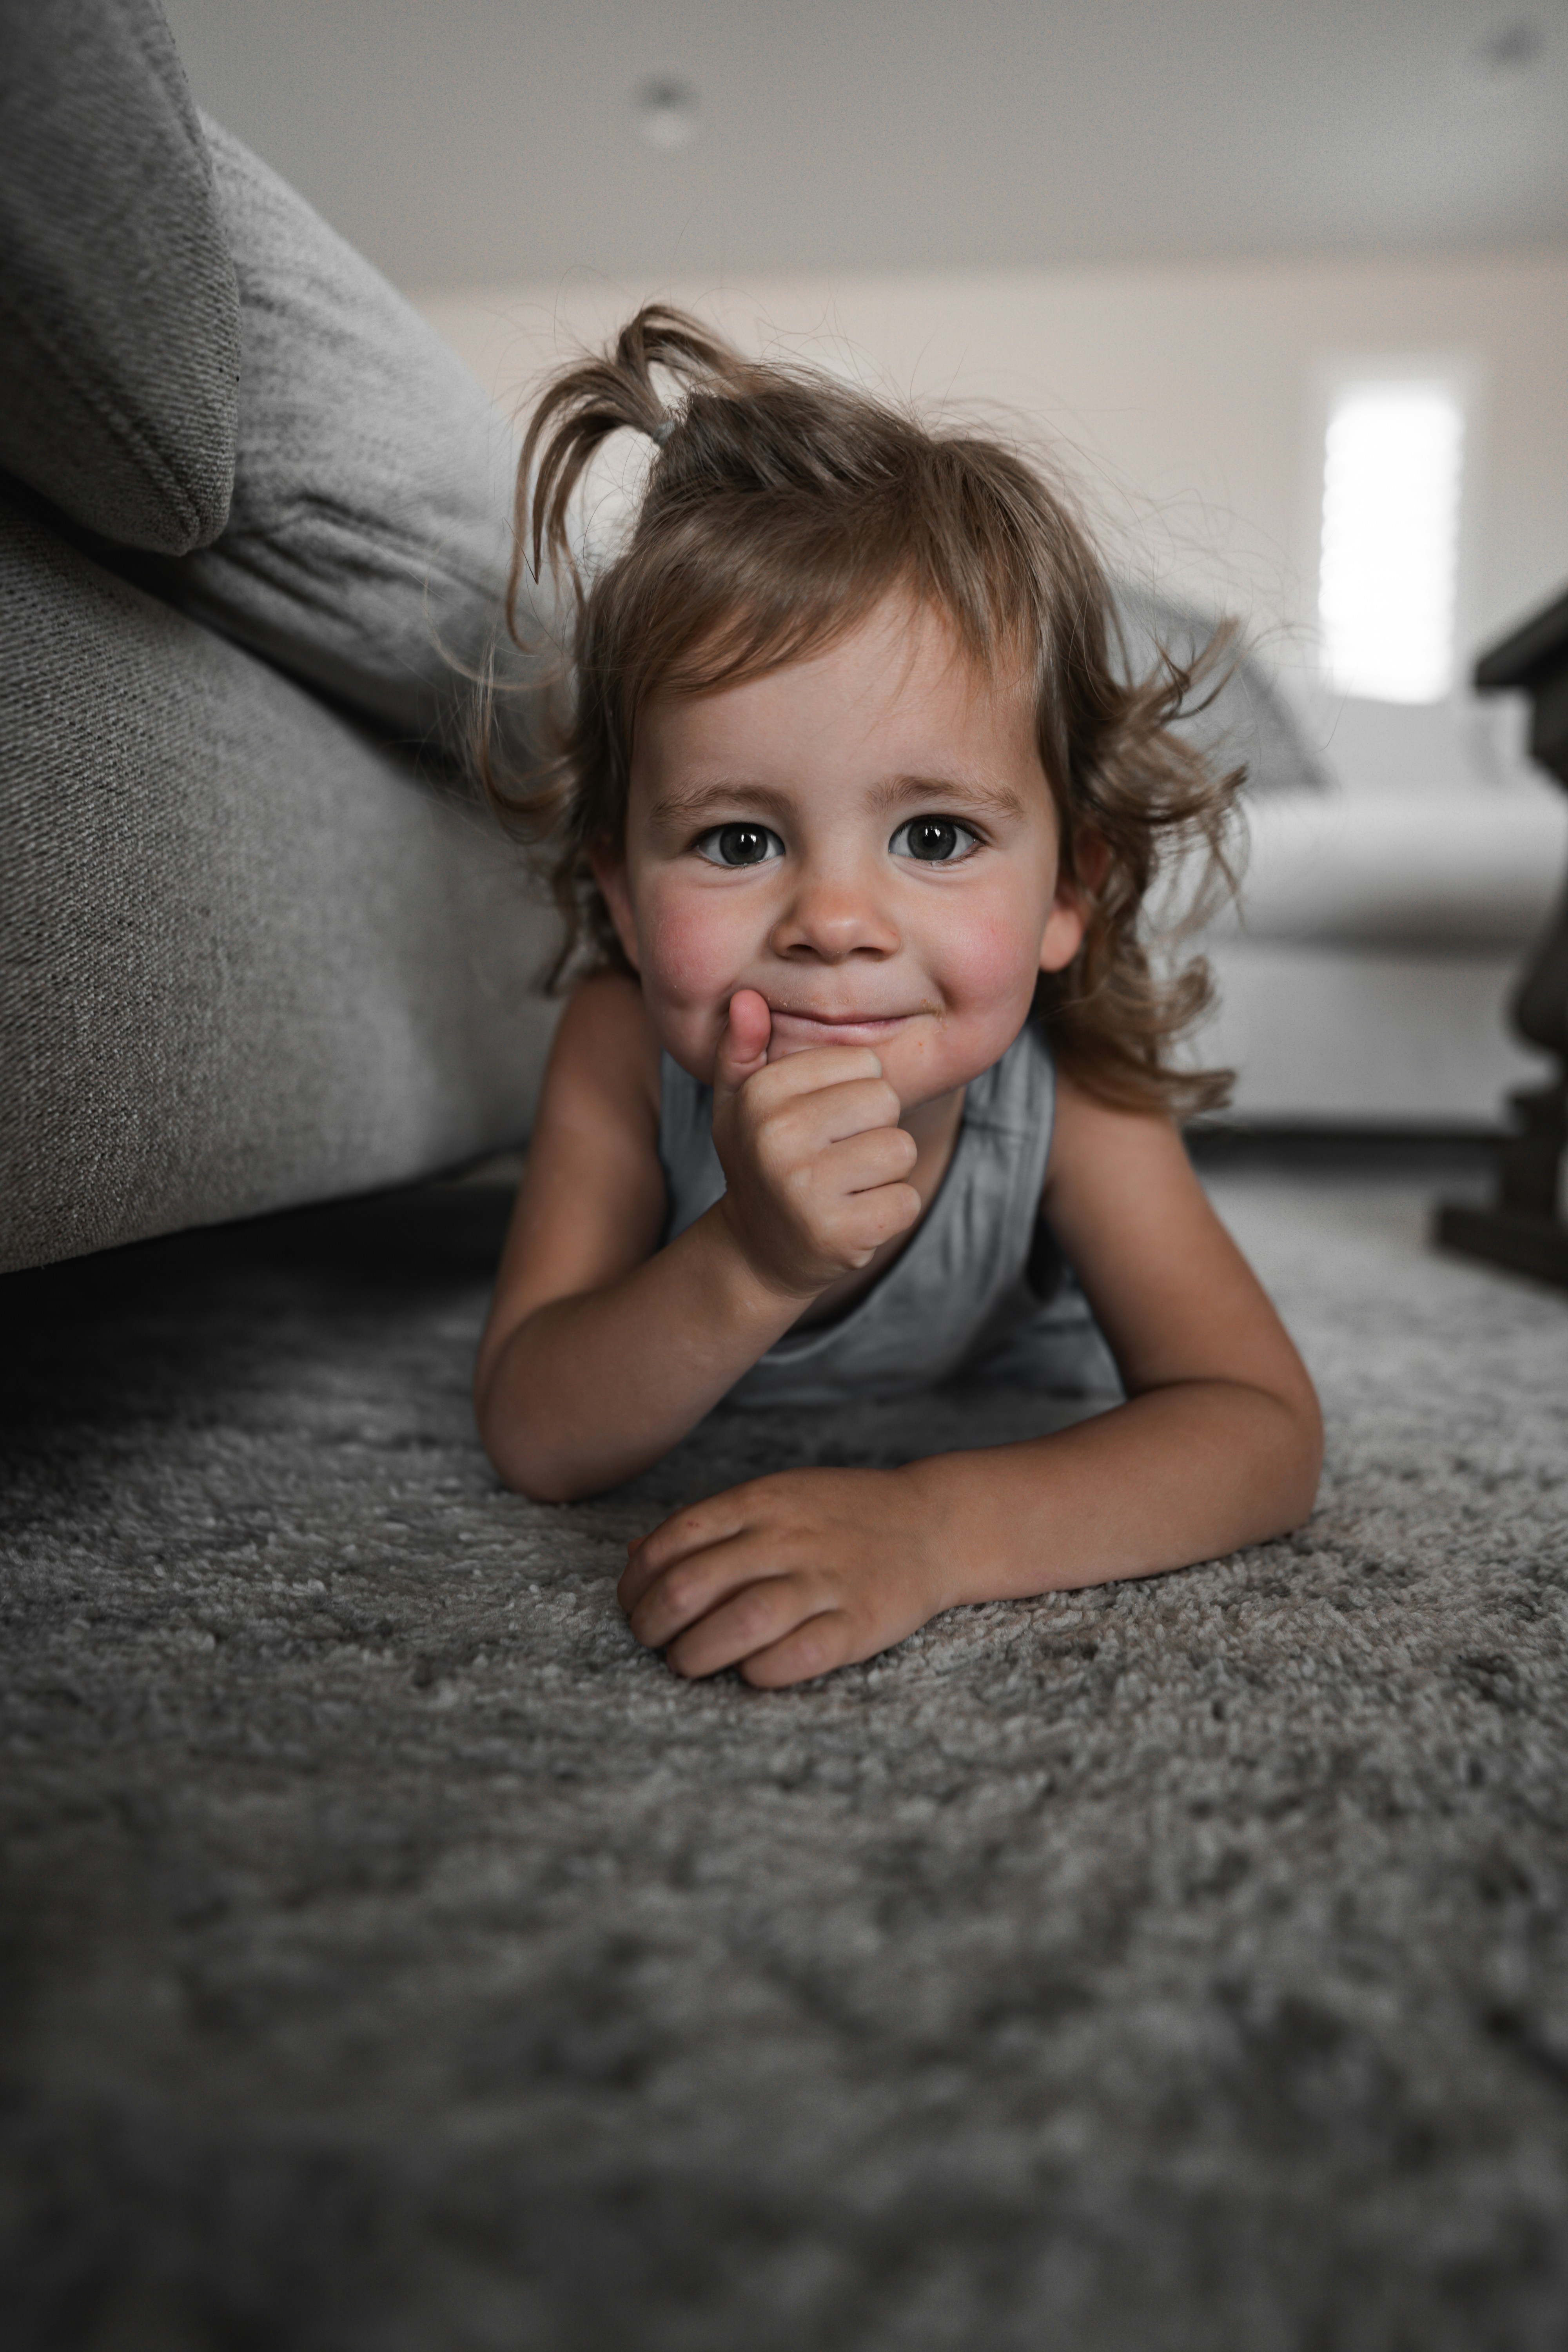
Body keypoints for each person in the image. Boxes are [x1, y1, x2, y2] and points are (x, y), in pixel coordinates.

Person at [473, 306, 1322, 1688]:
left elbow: (1262, 1430)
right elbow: (535, 1432)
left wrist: (937, 1530)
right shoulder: (620, 1046)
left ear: (1067, 893)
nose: (836, 925)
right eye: (738, 841)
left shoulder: (1069, 1083)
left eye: (935, 836)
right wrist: (751, 1255)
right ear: (623, 899)